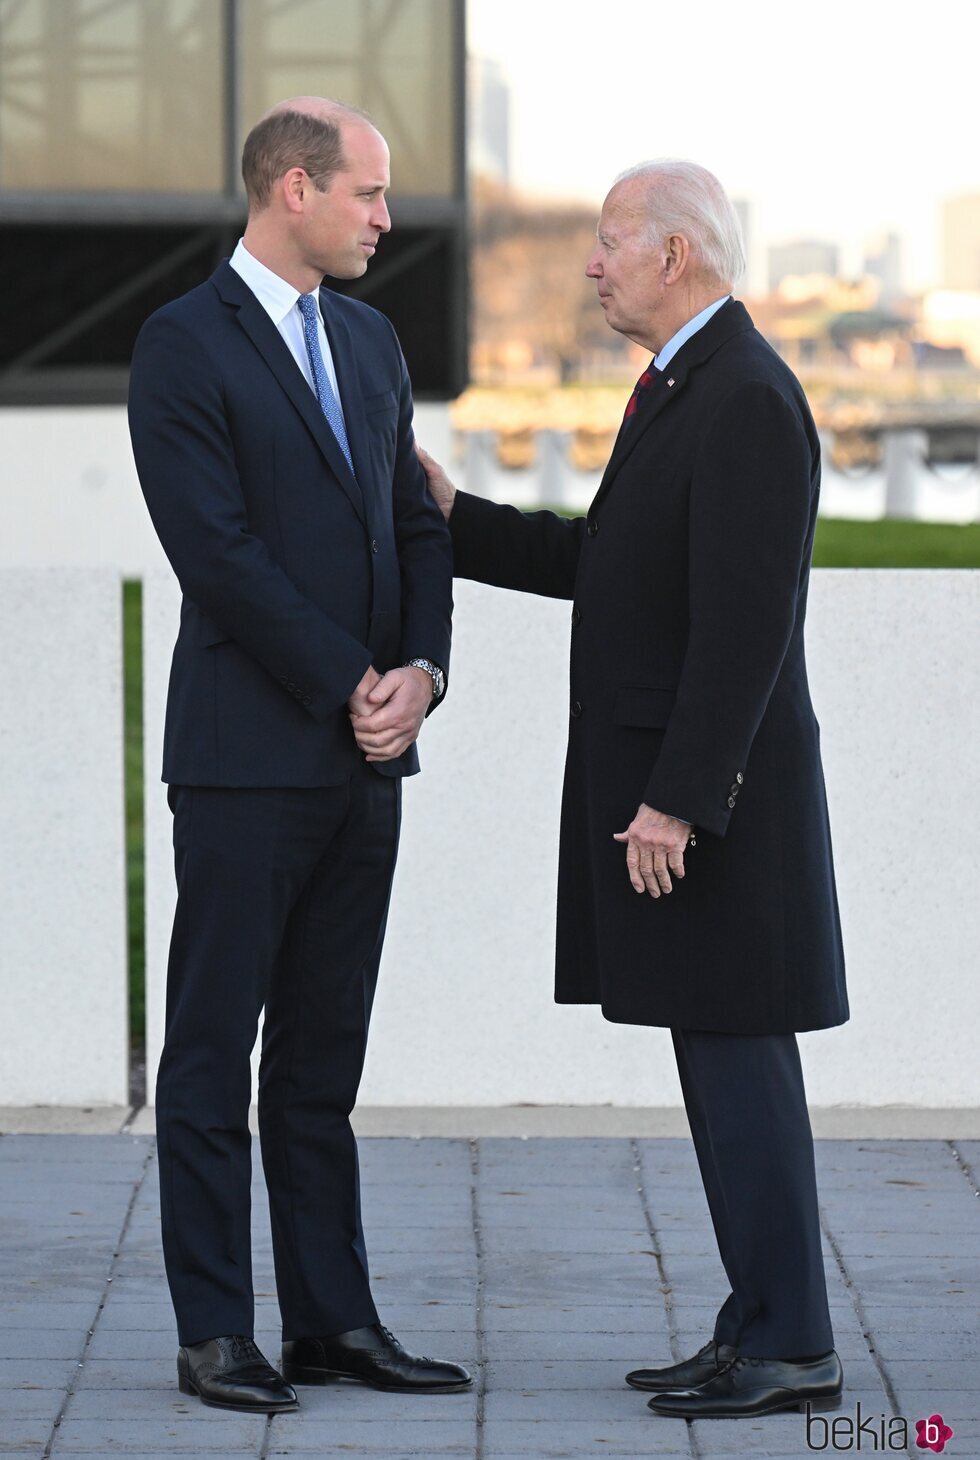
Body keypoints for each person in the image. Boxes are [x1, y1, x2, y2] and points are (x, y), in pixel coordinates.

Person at [417, 159, 848, 1421]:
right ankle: (757, 1319)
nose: (591, 264)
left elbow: (742, 627)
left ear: (675, 255)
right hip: (685, 801)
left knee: (738, 1062)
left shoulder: (745, 399)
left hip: (710, 813)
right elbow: (612, 565)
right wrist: (457, 518)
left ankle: (795, 1345)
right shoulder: (681, 388)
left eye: (609, 242)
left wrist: (678, 800)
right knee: (714, 1062)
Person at [128, 97, 469, 1414]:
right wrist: (352, 682)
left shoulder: (375, 341)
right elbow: (216, 554)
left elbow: (418, 529)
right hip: (244, 758)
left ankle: (333, 1323)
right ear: (291, 187)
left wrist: (423, 678)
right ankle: (217, 1331)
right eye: (369, 193)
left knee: (324, 1060)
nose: (387, 218)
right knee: (215, 1054)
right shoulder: (179, 345)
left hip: (367, 758)